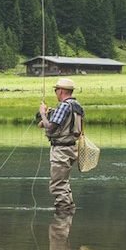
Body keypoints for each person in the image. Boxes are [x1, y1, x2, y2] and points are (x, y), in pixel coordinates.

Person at [38, 77, 84, 215]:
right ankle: (66, 217)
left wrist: (42, 114)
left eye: (56, 89)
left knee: (58, 185)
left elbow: (51, 128)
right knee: (64, 184)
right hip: (71, 148)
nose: (55, 92)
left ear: (62, 90)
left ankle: (62, 217)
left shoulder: (64, 106)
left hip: (61, 150)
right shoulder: (78, 106)